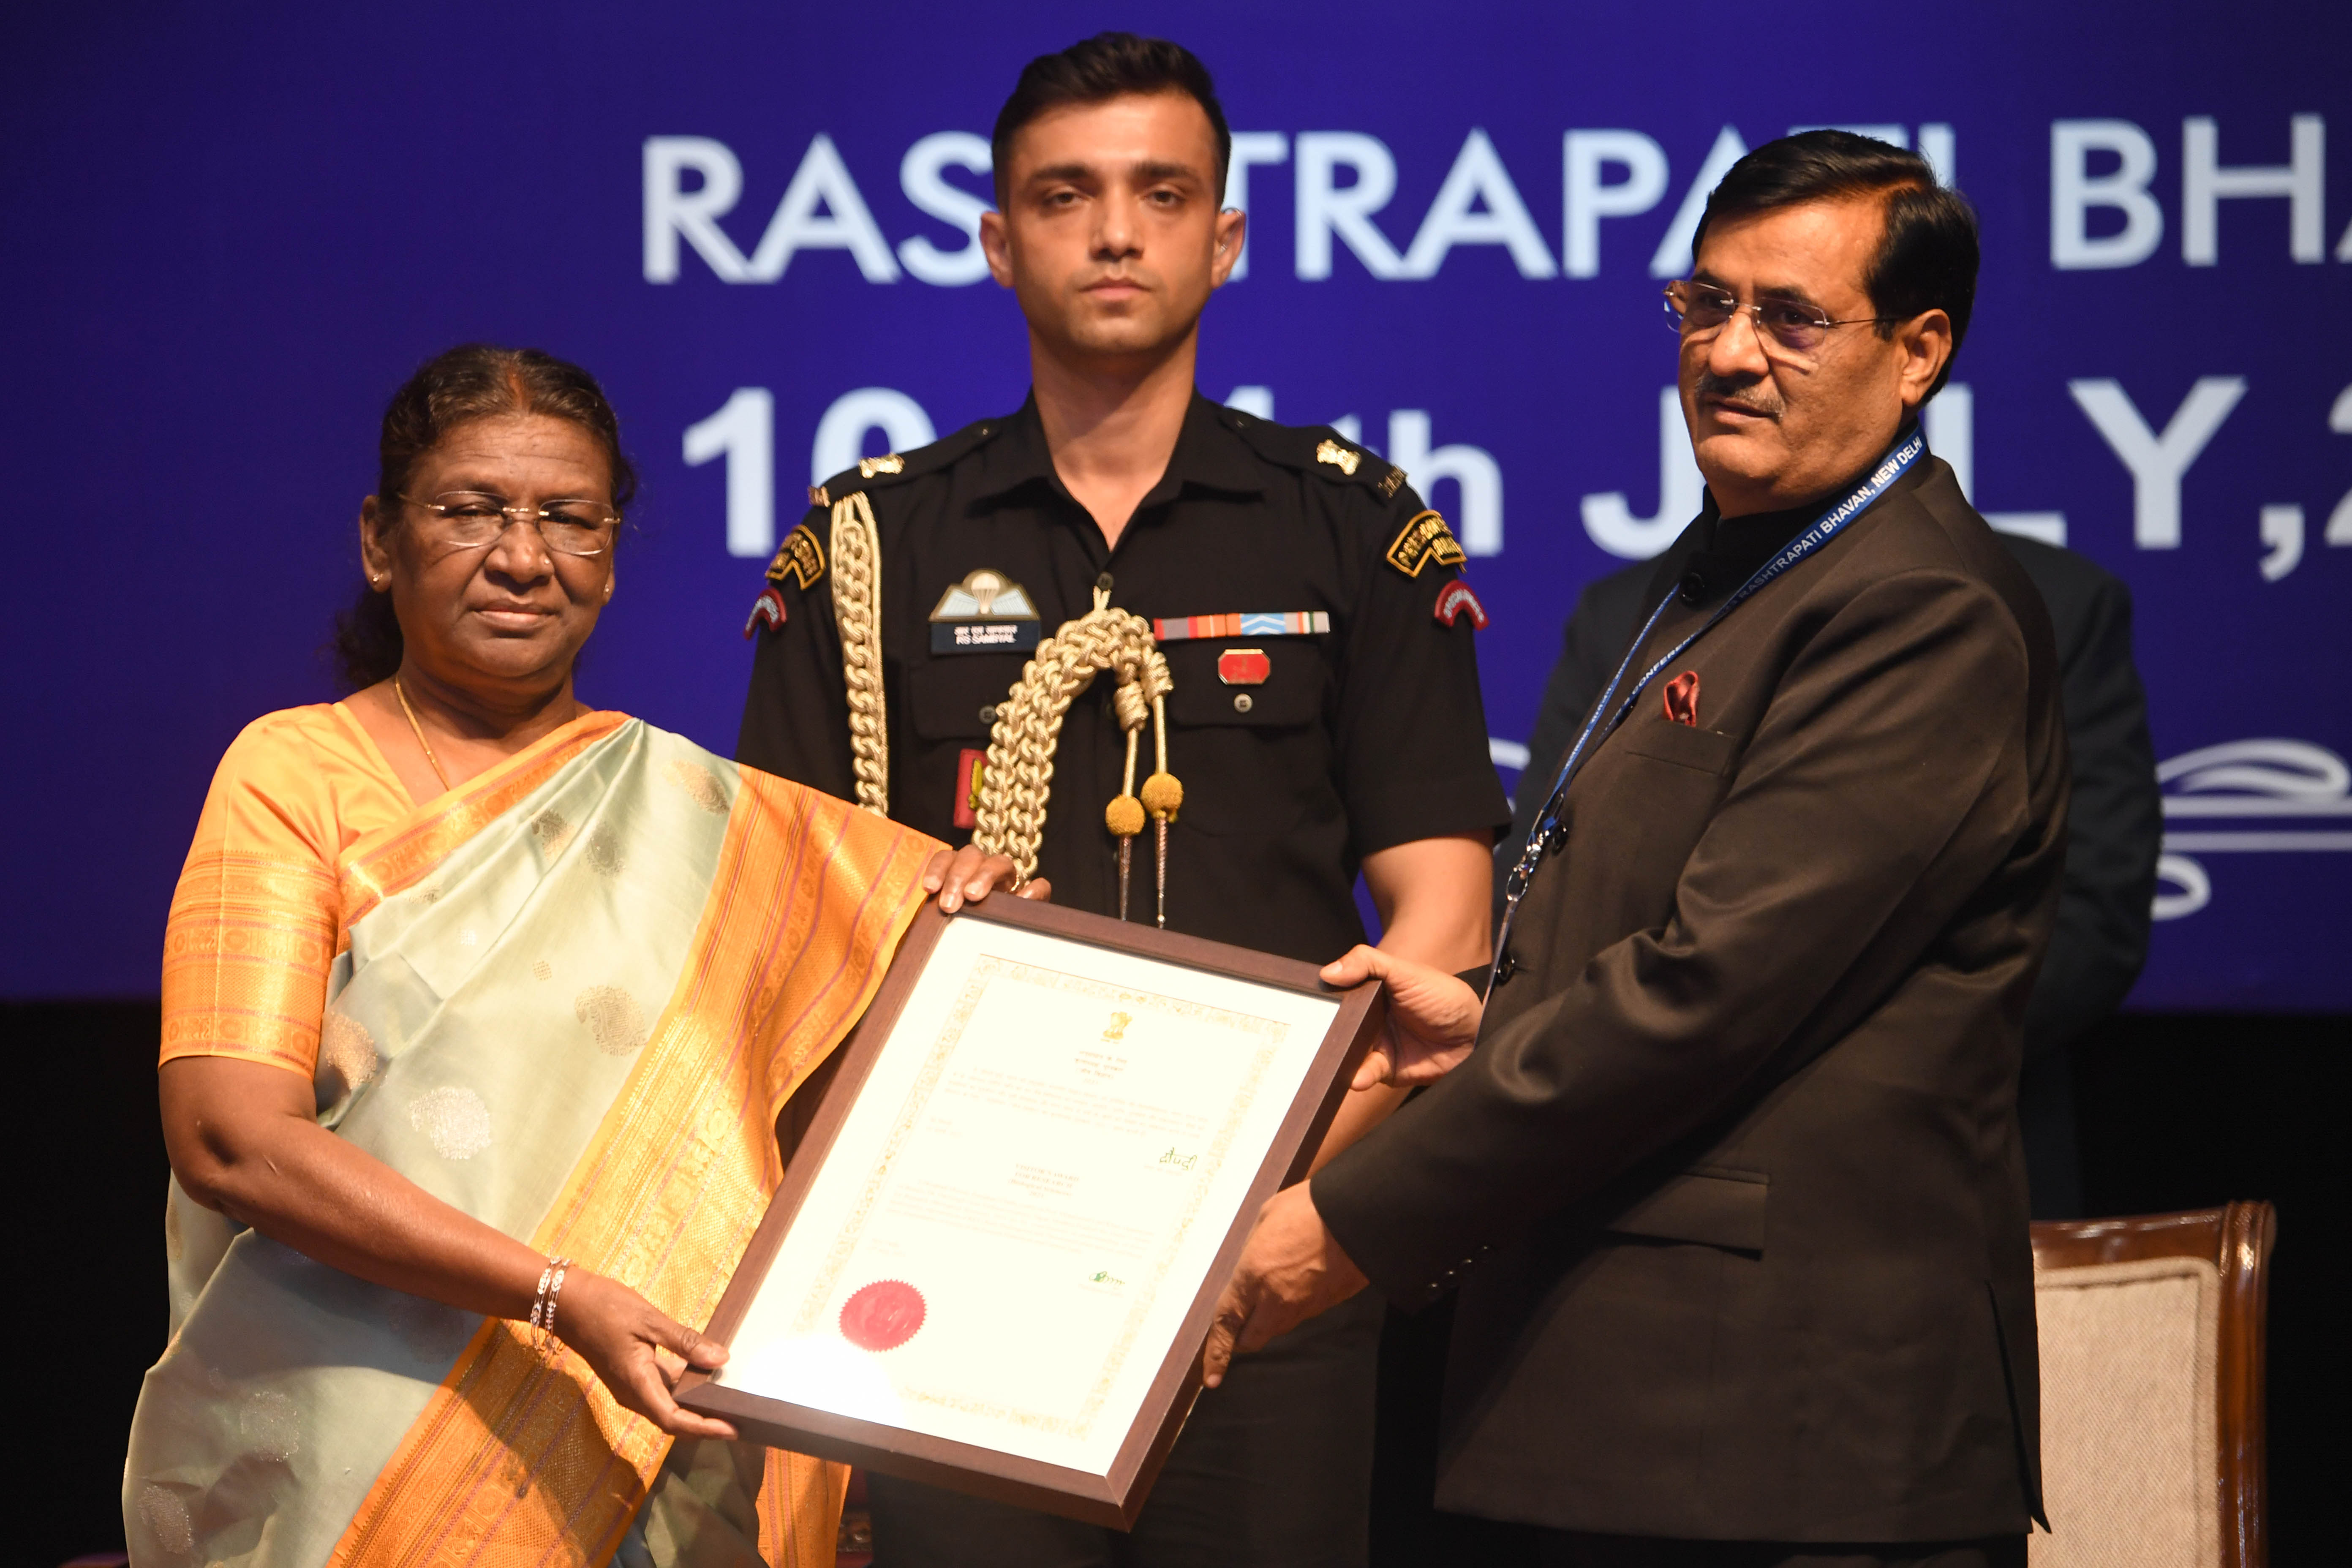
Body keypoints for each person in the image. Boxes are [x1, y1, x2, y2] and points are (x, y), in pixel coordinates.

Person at [1205, 132, 2069, 1568]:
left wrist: (1335, 1226)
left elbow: (1701, 998)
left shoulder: (1921, 610)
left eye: (1790, 318)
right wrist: (1486, 1022)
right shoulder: (1711, 576)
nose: (1728, 354)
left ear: (1917, 350)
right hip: (1625, 1418)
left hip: (1785, 1448)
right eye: (1702, 305)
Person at [735, 32, 1506, 1568]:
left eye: (1160, 194)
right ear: (994, 239)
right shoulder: (870, 544)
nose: (1111, 231)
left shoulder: (1347, 529)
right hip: (958, 1252)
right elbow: (785, 912)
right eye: (1064, 195)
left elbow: (1445, 913)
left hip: (1266, 1254)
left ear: (1222, 238)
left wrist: (1292, 1193)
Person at [127, 344, 1034, 1568]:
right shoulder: (296, 777)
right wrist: (556, 1295)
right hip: (360, 1477)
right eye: (469, 513)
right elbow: (231, 1138)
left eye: (570, 520)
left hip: (658, 1443)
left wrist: (977, 920)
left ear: (611, 558)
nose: (522, 557)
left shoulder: (722, 825)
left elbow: (918, 1082)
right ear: (379, 541)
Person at [1498, 543, 2159, 1220]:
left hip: (1931, 1178)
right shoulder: (1627, 615)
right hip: (1630, 1172)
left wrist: (1799, 1067)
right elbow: (1538, 894)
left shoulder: (2048, 600)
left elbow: (2090, 921)